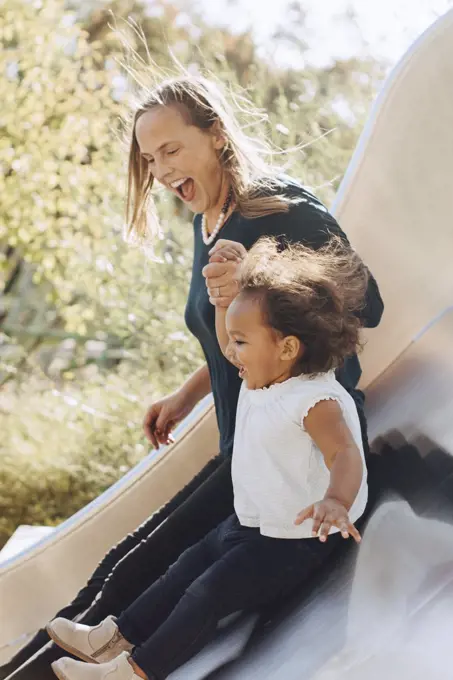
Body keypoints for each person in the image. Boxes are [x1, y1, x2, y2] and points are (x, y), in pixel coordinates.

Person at [0, 75, 383, 680]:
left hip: (294, 449)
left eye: (171, 150)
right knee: (126, 569)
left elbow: (369, 309)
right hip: (243, 442)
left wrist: (263, 272)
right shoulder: (206, 222)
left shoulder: (282, 210)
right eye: (149, 158)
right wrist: (186, 394)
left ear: (216, 136)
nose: (158, 170)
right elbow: (237, 337)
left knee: (139, 571)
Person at [49, 236, 370, 680]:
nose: (231, 352)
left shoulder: (315, 399)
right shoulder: (265, 372)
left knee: (206, 593)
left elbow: (346, 453)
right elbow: (224, 342)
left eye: (241, 341)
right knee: (181, 570)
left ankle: (132, 672)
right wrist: (224, 306)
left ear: (288, 348)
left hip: (291, 543)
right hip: (251, 522)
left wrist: (335, 499)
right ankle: (111, 638)